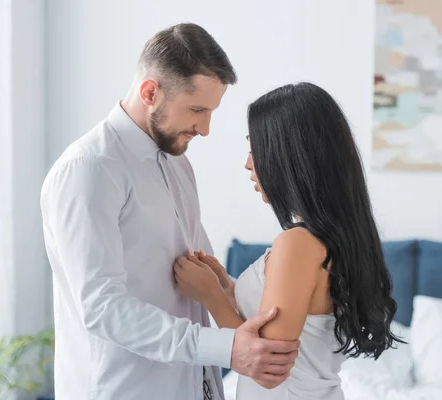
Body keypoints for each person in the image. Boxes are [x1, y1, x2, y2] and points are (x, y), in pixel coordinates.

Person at [40, 23, 299, 400]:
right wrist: (227, 348)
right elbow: (102, 308)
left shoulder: (177, 163)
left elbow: (197, 275)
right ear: (150, 92)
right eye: (197, 110)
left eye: (211, 111)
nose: (206, 129)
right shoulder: (89, 169)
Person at [174, 82, 404, 399]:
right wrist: (230, 290)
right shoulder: (328, 238)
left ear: (289, 156)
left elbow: (269, 369)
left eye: (255, 149)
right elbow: (281, 329)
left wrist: (210, 295)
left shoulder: (298, 244)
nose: (248, 163)